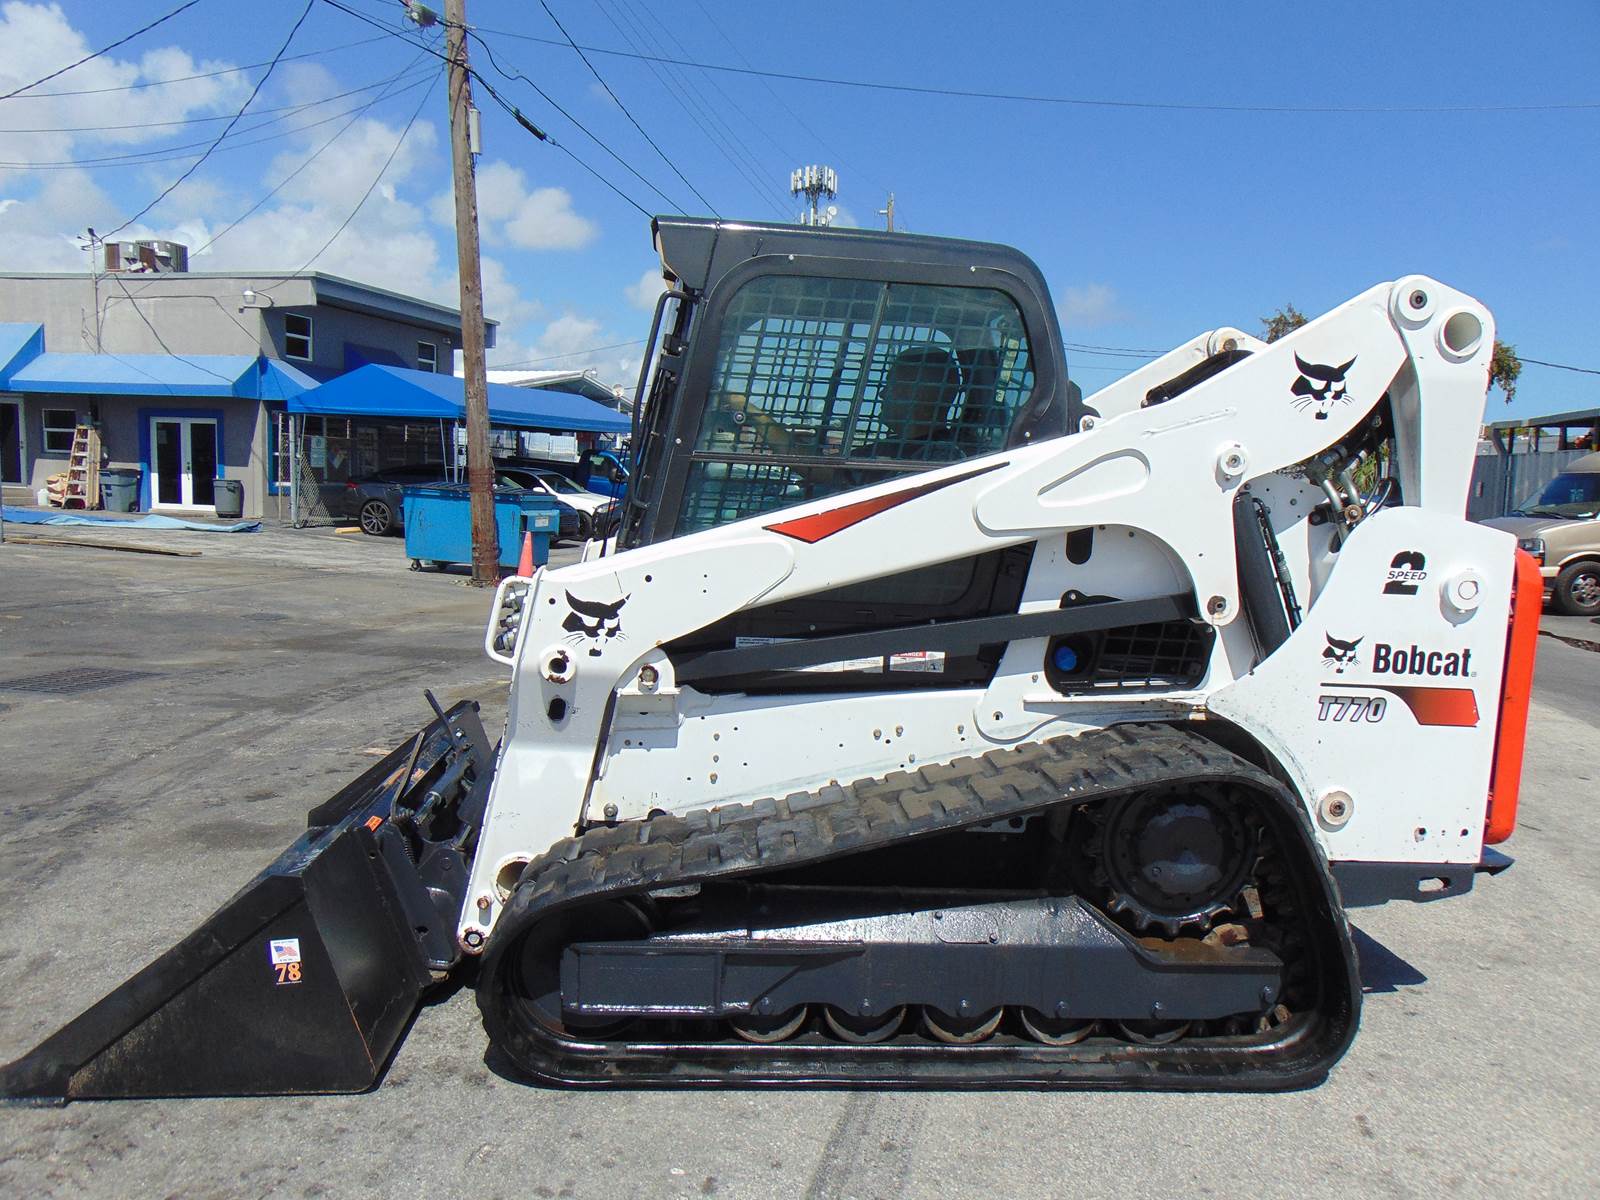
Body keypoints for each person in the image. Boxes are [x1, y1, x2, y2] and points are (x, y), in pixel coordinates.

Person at [719, 345, 966, 484]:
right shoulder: (894, 450)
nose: (882, 394)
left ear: (915, 394)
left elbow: (821, 471)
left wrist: (753, 413)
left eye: (890, 385)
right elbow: (822, 468)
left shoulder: (934, 459)